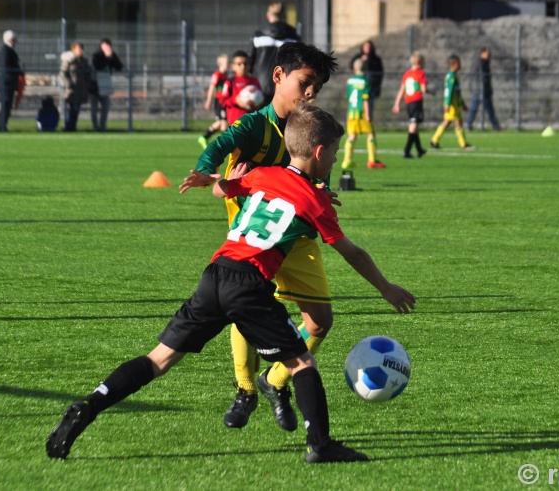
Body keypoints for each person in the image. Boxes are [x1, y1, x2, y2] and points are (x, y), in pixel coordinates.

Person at [46, 103, 416, 463]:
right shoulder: (316, 200)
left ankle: (89, 405)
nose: (335, 160)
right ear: (319, 151)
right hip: (248, 283)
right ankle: (321, 445)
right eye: (334, 153)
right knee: (302, 364)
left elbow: (224, 190)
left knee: (158, 360)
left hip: (215, 273)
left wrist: (224, 180)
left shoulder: (263, 175)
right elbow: (352, 252)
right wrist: (386, 287)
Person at [180, 42, 339, 433]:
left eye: (316, 85)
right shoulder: (256, 126)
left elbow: (318, 178)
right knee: (246, 307)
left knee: (319, 322)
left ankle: (274, 381)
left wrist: (322, 194)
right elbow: (217, 148)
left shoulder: (311, 128)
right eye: (305, 81)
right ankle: (246, 388)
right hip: (252, 242)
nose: (311, 91)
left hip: (296, 240)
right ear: (278, 76)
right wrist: (207, 174)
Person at [248, 1, 300, 109]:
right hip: (284, 84)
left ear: (268, 15)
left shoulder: (259, 34)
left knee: (262, 120)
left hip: (261, 85)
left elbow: (249, 61)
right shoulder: (293, 36)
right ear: (284, 16)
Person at [342, 58, 384, 169]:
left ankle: (347, 161)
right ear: (365, 68)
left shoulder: (350, 81)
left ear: (354, 68)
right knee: (371, 134)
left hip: (351, 112)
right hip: (362, 112)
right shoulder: (366, 81)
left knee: (352, 136)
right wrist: (368, 114)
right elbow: (365, 99)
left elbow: (349, 97)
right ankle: (372, 160)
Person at [431, 54, 474, 151]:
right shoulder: (451, 77)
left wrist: (462, 103)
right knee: (455, 123)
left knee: (449, 122)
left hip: (455, 104)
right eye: (458, 63)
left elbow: (457, 92)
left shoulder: (455, 76)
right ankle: (463, 144)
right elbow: (449, 91)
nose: (460, 65)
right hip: (452, 105)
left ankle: (434, 140)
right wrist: (448, 104)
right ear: (453, 65)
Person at [392, 51, 428, 159]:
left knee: (414, 126)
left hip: (409, 103)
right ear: (420, 63)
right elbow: (424, 89)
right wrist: (430, 91)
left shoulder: (407, 74)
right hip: (416, 102)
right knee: (413, 127)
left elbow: (402, 90)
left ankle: (419, 149)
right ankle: (406, 150)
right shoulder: (421, 73)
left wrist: (396, 103)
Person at [218, 50, 261, 126]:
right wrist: (235, 100)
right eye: (239, 64)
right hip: (235, 123)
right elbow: (223, 101)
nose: (243, 66)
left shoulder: (254, 81)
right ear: (233, 66)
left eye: (245, 64)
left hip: (252, 122)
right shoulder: (230, 81)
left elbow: (260, 100)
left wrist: (258, 102)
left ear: (249, 65)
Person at [90, 38, 123, 132]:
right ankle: (95, 128)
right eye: (105, 45)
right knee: (94, 110)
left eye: (108, 45)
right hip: (94, 87)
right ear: (101, 46)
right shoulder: (96, 55)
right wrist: (107, 58)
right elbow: (98, 66)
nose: (107, 47)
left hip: (105, 86)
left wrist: (112, 57)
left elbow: (119, 66)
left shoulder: (112, 55)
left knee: (105, 108)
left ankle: (103, 127)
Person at [466, 46, 502, 131]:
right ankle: (495, 127)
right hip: (480, 90)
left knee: (485, 109)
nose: (489, 55)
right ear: (482, 53)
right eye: (488, 53)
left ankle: (469, 126)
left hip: (483, 90)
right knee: (481, 109)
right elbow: (480, 77)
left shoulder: (485, 62)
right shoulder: (479, 63)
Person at [198, 53, 230, 149]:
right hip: (220, 101)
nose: (228, 65)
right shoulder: (217, 75)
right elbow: (212, 88)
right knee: (223, 122)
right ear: (220, 64)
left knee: (221, 122)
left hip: (224, 101)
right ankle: (226, 145)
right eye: (226, 63)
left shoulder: (226, 75)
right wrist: (209, 101)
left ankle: (204, 137)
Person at [60, 42, 93, 132]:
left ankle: (71, 126)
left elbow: (88, 73)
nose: (80, 51)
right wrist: (69, 84)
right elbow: (63, 73)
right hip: (72, 90)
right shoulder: (69, 60)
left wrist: (87, 84)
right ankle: (69, 126)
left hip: (81, 89)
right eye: (78, 49)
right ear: (73, 50)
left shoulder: (84, 60)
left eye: (81, 49)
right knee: (73, 109)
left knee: (76, 109)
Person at [0, 30, 23, 132]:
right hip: (6, 83)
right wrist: (17, 71)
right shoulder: (6, 50)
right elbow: (6, 66)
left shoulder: (8, 50)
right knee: (5, 104)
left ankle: (3, 125)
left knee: (7, 105)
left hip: (9, 83)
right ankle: (1, 126)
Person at [349, 40, 384, 119]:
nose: (367, 48)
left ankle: (368, 118)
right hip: (359, 87)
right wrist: (362, 61)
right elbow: (351, 65)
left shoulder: (376, 59)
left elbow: (379, 73)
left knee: (368, 103)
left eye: (369, 46)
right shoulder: (358, 57)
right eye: (366, 46)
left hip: (370, 87)